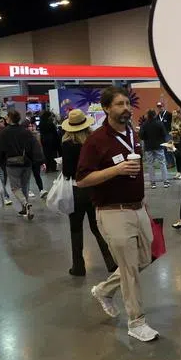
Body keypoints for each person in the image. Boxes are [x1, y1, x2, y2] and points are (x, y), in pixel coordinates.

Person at [75, 86, 159, 343]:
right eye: (119, 104)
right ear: (107, 108)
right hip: (113, 212)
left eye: (127, 103)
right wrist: (117, 170)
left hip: (138, 208)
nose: (125, 108)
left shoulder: (132, 133)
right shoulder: (95, 141)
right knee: (130, 269)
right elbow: (82, 180)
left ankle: (103, 289)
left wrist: (143, 202)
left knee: (146, 258)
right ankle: (136, 322)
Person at [61, 109, 118, 277]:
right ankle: (111, 262)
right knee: (98, 227)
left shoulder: (66, 144)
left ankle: (78, 267)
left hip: (76, 189)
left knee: (76, 229)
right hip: (94, 187)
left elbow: (67, 171)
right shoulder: (93, 141)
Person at [0, 109, 44, 221]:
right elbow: (34, 146)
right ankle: (24, 208)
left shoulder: (5, 132)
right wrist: (39, 160)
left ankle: (25, 204)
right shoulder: (25, 131)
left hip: (12, 163)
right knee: (25, 185)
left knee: (15, 187)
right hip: (27, 163)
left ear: (10, 119)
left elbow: (0, 149)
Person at [141, 109, 171, 188]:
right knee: (162, 163)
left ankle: (153, 183)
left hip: (148, 147)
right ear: (154, 115)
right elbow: (164, 134)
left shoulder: (144, 124)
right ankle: (166, 182)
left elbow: (141, 136)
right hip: (159, 146)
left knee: (150, 165)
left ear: (148, 115)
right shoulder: (159, 123)